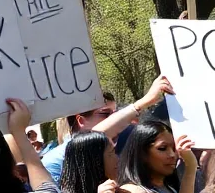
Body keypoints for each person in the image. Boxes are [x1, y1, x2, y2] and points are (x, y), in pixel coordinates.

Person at [42, 77, 172, 183]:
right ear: (81, 121)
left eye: (115, 113)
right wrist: (143, 102)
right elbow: (93, 138)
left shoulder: (121, 148)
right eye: (105, 113)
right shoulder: (57, 159)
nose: (113, 118)